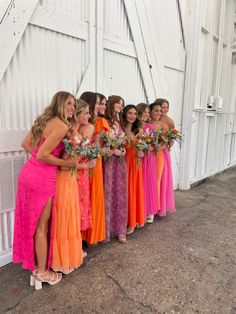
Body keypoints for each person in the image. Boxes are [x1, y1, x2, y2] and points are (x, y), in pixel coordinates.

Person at [13, 91, 79, 289]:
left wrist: (38, 162)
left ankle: (37, 267)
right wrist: (65, 163)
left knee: (33, 224)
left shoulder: (46, 121)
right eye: (69, 103)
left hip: (28, 175)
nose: (72, 108)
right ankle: (42, 272)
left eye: (74, 105)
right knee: (41, 227)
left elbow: (27, 145)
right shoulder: (59, 125)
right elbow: (43, 155)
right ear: (59, 103)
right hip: (42, 179)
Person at [51, 99, 93, 274]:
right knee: (65, 218)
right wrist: (85, 165)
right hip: (65, 178)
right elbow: (64, 164)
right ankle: (61, 259)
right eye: (85, 112)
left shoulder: (75, 131)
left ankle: (69, 253)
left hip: (72, 178)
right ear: (76, 114)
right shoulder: (70, 133)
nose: (89, 116)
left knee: (71, 217)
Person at [80, 92, 107, 245]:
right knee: (85, 200)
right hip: (86, 165)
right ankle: (84, 236)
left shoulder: (97, 121)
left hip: (93, 164)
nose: (99, 106)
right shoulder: (86, 125)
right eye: (97, 103)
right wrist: (97, 141)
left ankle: (90, 235)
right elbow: (86, 148)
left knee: (93, 198)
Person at [104, 95, 128, 243]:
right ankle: (107, 230)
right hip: (108, 163)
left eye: (122, 104)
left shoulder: (119, 122)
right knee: (108, 193)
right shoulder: (104, 121)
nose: (120, 106)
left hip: (120, 163)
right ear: (111, 104)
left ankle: (120, 229)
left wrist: (123, 149)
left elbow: (122, 140)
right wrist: (113, 151)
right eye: (118, 103)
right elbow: (102, 143)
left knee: (120, 193)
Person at [122, 105, 145, 233]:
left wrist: (141, 151)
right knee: (124, 192)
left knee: (132, 191)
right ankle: (123, 221)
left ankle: (132, 222)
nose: (132, 116)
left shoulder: (139, 130)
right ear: (125, 114)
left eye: (135, 114)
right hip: (122, 163)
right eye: (130, 113)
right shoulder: (120, 128)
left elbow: (142, 147)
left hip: (134, 164)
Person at [150, 100, 175, 216]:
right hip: (149, 153)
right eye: (161, 108)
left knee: (159, 180)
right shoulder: (148, 122)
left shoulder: (168, 122)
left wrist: (163, 145)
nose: (163, 111)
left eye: (166, 108)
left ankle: (157, 206)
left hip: (161, 153)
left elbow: (170, 139)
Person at [136, 103, 158, 223]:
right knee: (140, 184)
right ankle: (140, 210)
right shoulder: (136, 127)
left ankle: (149, 211)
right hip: (138, 158)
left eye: (147, 112)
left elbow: (155, 145)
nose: (146, 114)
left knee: (148, 184)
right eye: (144, 112)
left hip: (148, 159)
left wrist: (149, 147)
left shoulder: (150, 127)